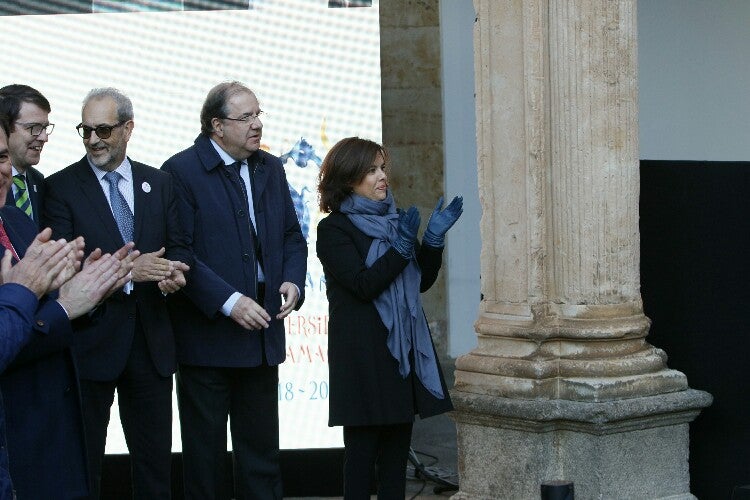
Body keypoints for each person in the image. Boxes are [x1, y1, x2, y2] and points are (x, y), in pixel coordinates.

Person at [44, 88, 192, 499]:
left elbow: (179, 246)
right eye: (85, 130)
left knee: (154, 468)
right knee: (84, 464)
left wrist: (174, 273)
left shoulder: (159, 183)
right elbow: (64, 267)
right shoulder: (61, 188)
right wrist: (129, 271)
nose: (93, 140)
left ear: (128, 128)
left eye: (103, 129)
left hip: (151, 342)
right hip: (91, 345)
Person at [161, 81, 307, 499]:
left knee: (262, 459)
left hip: (262, 337)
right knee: (204, 463)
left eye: (259, 114)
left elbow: (292, 237)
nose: (257, 124)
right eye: (246, 117)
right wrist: (230, 302)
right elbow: (180, 251)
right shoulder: (180, 170)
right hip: (207, 343)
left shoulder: (270, 167)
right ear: (217, 125)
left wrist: (293, 281)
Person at [315, 137, 463, 499]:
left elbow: (421, 282)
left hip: (400, 357)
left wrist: (431, 241)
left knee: (396, 465)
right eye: (371, 170)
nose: (382, 176)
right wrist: (400, 246)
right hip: (363, 359)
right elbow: (364, 285)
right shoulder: (334, 230)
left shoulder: (394, 221)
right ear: (348, 178)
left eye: (383, 168)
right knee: (362, 460)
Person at [0, 111, 133, 500]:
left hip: (54, 431)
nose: (3, 171)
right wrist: (61, 307)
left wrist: (84, 289)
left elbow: (49, 305)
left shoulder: (16, 220)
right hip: (16, 441)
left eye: (4, 157)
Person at [0, 84, 54, 227]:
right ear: (5, 127)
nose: (44, 137)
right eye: (34, 128)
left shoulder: (39, 181)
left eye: (45, 128)